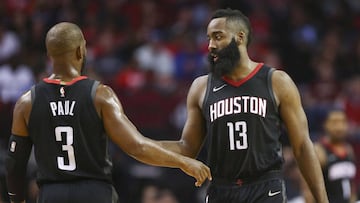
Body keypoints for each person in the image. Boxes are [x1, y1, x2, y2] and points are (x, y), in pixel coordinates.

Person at [5, 22, 212, 203]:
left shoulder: (27, 102)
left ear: (50, 55)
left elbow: (14, 164)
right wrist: (183, 161)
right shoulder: (100, 95)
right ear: (80, 51)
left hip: (52, 193)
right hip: (93, 192)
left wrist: (17, 200)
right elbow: (137, 147)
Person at [158, 8, 328, 203]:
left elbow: (302, 147)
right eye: (209, 39)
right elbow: (187, 148)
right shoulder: (201, 87)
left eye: (218, 37)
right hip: (221, 189)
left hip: (264, 187)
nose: (211, 45)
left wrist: (322, 201)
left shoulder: (276, 81)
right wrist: (141, 145)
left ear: (240, 37)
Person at [303, 109, 357, 203]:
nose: (339, 127)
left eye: (343, 122)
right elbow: (308, 191)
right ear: (325, 124)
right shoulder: (319, 151)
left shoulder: (349, 150)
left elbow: (351, 184)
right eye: (334, 122)